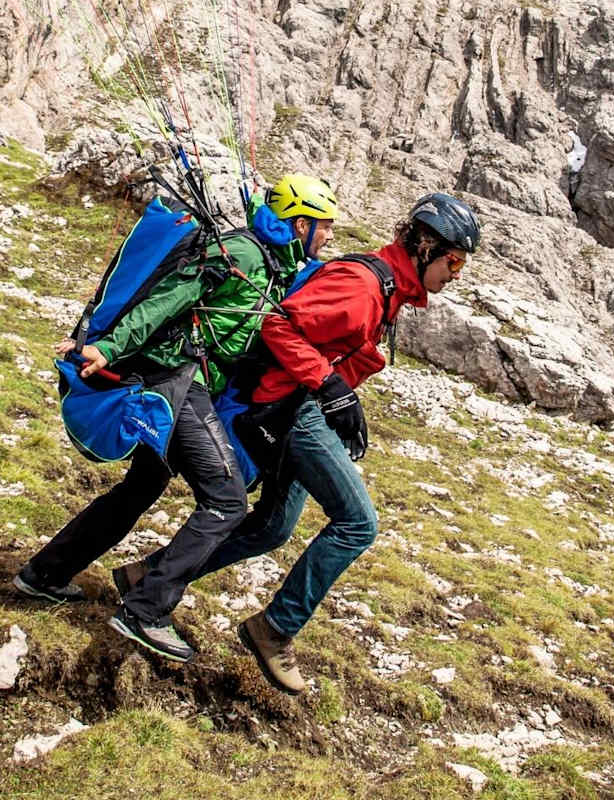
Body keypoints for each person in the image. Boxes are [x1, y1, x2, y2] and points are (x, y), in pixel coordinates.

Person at [118, 192, 481, 690]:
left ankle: (150, 575)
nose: (456, 273)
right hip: (292, 407)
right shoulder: (362, 285)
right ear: (424, 245)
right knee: (357, 523)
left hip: (305, 407)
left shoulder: (391, 290)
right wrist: (329, 390)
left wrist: (340, 403)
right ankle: (275, 629)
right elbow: (278, 325)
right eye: (454, 260)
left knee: (271, 528)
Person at [13, 175, 339, 663]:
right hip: (180, 383)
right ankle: (146, 610)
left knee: (140, 488)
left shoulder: (271, 261)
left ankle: (43, 574)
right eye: (325, 225)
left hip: (187, 383)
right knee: (226, 502)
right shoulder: (244, 253)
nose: (330, 236)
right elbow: (173, 296)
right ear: (299, 222)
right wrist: (108, 345)